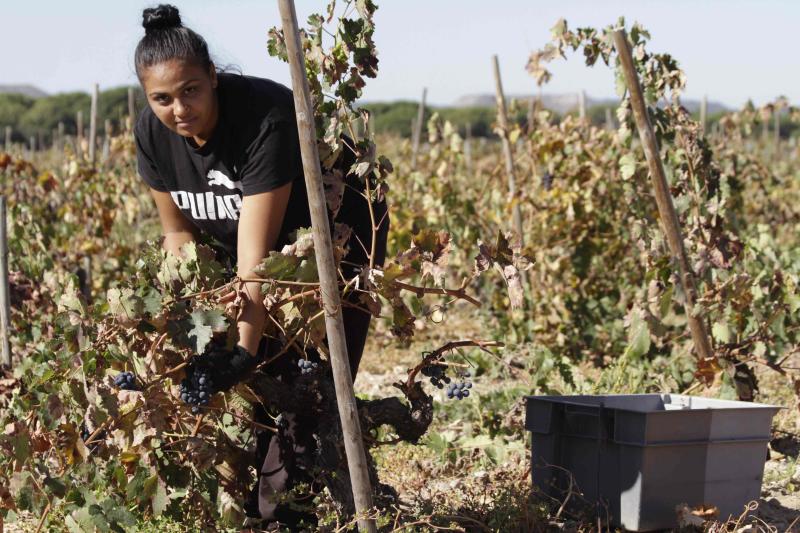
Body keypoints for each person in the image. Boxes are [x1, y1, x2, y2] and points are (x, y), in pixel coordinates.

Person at [132, 4, 389, 527]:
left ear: (214, 78)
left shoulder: (265, 117)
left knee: (306, 384)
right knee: (251, 399)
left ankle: (298, 514)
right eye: (161, 98)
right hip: (248, 248)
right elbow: (179, 236)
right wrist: (201, 334)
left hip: (334, 237)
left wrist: (242, 352)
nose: (178, 109)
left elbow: (259, 264)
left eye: (190, 91)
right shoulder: (151, 134)